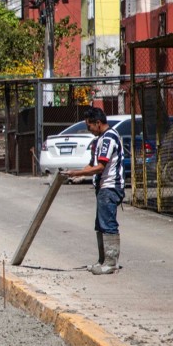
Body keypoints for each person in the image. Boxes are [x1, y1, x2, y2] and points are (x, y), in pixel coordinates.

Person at [64, 107, 125, 275]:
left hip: (110, 187)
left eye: (89, 125)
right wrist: (77, 175)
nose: (89, 129)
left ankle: (111, 263)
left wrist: (78, 173)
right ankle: (103, 260)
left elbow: (100, 167)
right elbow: (92, 165)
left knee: (108, 224)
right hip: (101, 188)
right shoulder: (99, 140)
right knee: (100, 224)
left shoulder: (109, 139)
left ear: (98, 123)